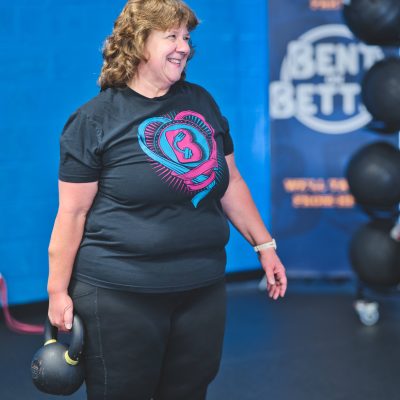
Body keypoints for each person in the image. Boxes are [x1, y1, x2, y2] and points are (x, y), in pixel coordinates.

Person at [47, 0, 287, 399]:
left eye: (187, 37)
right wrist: (57, 291)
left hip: (200, 288)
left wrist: (265, 245)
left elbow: (230, 182)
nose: (184, 47)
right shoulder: (94, 120)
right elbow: (72, 213)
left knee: (189, 391)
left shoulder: (201, 103)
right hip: (119, 296)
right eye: (171, 36)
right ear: (140, 43)